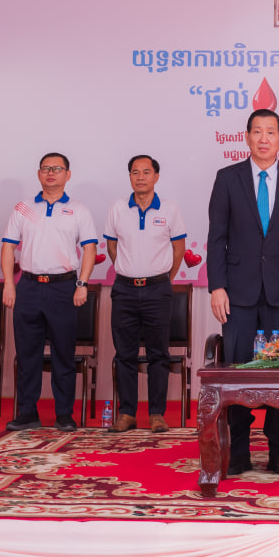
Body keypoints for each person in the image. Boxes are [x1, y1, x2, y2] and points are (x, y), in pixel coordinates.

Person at [207, 108, 279, 476]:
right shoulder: (227, 178)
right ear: (247, 137)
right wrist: (217, 286)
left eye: (271, 131)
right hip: (237, 294)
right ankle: (238, 452)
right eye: (257, 131)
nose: (264, 138)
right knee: (239, 372)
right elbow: (216, 237)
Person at [1, 153, 98, 432]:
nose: (51, 173)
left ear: (68, 174)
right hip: (28, 287)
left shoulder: (79, 210)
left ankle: (64, 414)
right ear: (38, 174)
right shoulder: (23, 208)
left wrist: (82, 284)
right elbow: (8, 247)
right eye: (46, 168)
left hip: (64, 288)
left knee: (63, 354)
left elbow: (89, 248)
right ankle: (27, 412)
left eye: (57, 168)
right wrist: (9, 283)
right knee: (27, 354)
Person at [103, 154, 186, 433]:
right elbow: (112, 247)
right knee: (124, 353)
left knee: (158, 354)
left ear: (156, 176)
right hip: (124, 290)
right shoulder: (117, 209)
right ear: (129, 177)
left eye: (146, 172)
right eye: (135, 172)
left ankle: (156, 414)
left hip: (158, 290)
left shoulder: (170, 209)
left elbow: (179, 250)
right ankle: (127, 413)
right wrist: (128, 270)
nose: (140, 177)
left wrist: (163, 279)